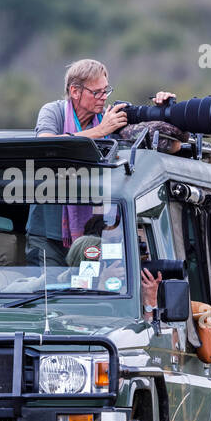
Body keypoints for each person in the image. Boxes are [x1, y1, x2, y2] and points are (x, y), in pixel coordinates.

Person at [26, 59, 174, 268]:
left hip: (93, 234)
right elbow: (47, 146)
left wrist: (165, 111)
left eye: (106, 91)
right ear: (75, 91)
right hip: (47, 233)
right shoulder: (54, 112)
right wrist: (101, 132)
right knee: (48, 294)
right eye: (97, 92)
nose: (104, 98)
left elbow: (171, 143)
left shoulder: (108, 118)